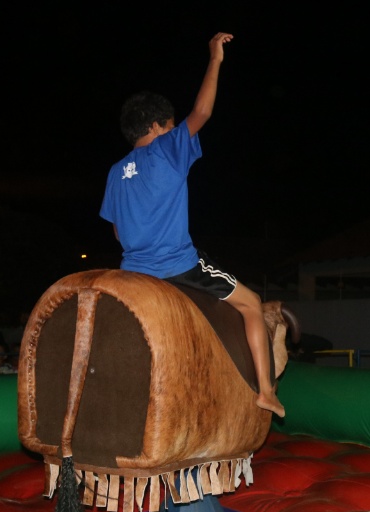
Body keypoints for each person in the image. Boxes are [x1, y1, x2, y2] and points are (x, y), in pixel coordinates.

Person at [98, 32, 285, 418]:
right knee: (251, 305)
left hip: (132, 272)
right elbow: (201, 113)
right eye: (168, 125)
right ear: (156, 126)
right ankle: (266, 391)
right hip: (178, 266)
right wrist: (215, 59)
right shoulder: (165, 150)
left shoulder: (116, 172)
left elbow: (117, 232)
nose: (173, 131)